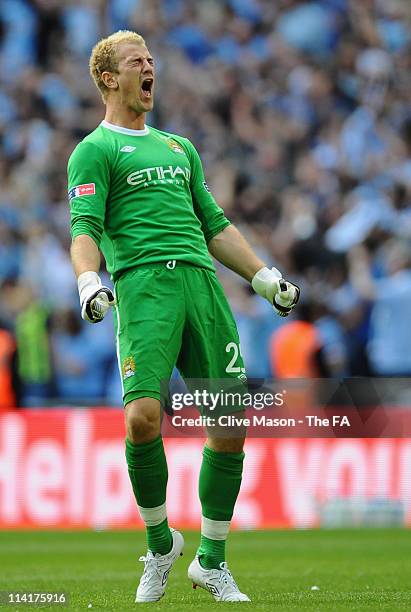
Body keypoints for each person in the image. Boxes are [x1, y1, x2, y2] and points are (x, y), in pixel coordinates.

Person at [67, 30, 299, 604]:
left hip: (203, 285)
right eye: (135, 62)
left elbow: (215, 224)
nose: (150, 68)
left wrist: (262, 275)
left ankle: (211, 561)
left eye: (151, 60)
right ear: (107, 78)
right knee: (143, 417)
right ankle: (159, 541)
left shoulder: (179, 148)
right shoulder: (94, 150)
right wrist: (88, 280)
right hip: (144, 288)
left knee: (229, 423)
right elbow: (84, 229)